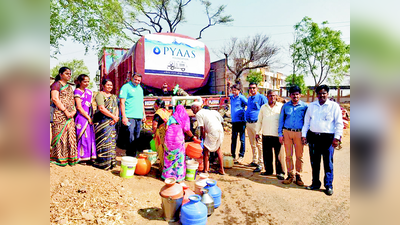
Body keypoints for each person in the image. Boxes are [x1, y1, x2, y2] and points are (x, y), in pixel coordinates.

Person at [302, 85, 343, 196]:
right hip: (314, 137)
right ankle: (315, 183)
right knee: (315, 163)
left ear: (327, 94)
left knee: (328, 163)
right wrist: (304, 135)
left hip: (328, 139)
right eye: (319, 93)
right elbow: (306, 122)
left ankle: (328, 185)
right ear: (317, 94)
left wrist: (337, 138)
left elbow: (339, 123)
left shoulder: (334, 106)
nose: (322, 95)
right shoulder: (312, 106)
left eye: (324, 93)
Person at [278, 85, 308, 186]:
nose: (295, 96)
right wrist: (280, 134)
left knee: (299, 156)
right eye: (293, 94)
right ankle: (290, 175)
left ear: (300, 95)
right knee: (288, 155)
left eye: (297, 94)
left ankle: (298, 175)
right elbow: (281, 120)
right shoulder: (285, 106)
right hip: (287, 132)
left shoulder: (304, 107)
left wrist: (305, 135)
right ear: (290, 95)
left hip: (299, 133)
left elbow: (307, 121)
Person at [50, 67, 78, 166]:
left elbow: (72, 100)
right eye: (66, 73)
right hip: (60, 114)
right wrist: (65, 111)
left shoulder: (70, 87)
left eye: (70, 74)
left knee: (70, 136)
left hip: (70, 115)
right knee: (61, 136)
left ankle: (70, 157)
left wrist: (74, 110)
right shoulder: (56, 84)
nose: (69, 75)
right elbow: (55, 98)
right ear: (61, 74)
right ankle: (59, 157)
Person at [162, 105, 198, 182]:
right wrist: (193, 137)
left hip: (169, 139)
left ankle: (168, 175)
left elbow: (166, 128)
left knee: (169, 156)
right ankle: (178, 177)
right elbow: (187, 130)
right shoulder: (184, 118)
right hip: (178, 139)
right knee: (179, 157)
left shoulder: (172, 117)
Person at [255, 90, 285, 180]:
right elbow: (259, 121)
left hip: (277, 135)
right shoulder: (263, 107)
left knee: (279, 155)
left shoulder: (280, 107)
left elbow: (283, 120)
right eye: (270, 95)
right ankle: (268, 170)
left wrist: (283, 134)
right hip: (266, 134)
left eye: (274, 96)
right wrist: (257, 132)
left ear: (276, 96)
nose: (272, 97)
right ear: (267, 96)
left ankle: (280, 172)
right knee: (267, 154)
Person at [191, 102, 225, 175]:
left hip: (213, 131)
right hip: (220, 130)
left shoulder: (199, 114)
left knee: (206, 150)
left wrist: (202, 139)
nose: (192, 111)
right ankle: (221, 169)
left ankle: (205, 170)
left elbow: (202, 128)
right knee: (218, 149)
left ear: (197, 107)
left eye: (193, 109)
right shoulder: (208, 111)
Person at [93, 79, 119, 170]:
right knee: (103, 142)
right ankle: (103, 163)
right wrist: (113, 117)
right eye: (108, 85)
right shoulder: (100, 95)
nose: (110, 87)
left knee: (111, 142)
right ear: (103, 85)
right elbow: (101, 108)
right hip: (102, 122)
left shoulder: (114, 97)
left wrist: (115, 118)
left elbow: (116, 108)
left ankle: (111, 163)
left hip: (112, 122)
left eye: (111, 85)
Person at [119, 73, 146, 157]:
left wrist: (143, 114)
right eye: (135, 79)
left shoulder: (140, 89)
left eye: (139, 80)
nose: (137, 82)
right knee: (130, 135)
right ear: (132, 78)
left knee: (137, 135)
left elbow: (141, 102)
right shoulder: (125, 87)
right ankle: (130, 154)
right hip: (129, 117)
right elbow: (122, 103)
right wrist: (124, 116)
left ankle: (135, 154)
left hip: (138, 117)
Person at [74, 74, 96, 164]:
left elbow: (91, 106)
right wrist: (88, 117)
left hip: (89, 116)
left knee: (90, 137)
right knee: (83, 136)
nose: (87, 83)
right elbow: (79, 107)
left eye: (88, 81)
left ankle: (90, 156)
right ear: (80, 82)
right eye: (84, 81)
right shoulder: (77, 92)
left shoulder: (89, 92)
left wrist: (92, 117)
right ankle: (81, 157)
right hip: (81, 117)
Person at [245, 82, 267, 172]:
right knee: (252, 144)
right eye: (250, 88)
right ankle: (254, 160)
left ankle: (261, 163)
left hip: (257, 124)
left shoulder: (261, 97)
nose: (252, 90)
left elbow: (266, 108)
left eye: (254, 88)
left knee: (259, 144)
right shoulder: (249, 98)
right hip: (249, 123)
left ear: (257, 88)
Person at [227, 82, 248, 163]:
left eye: (235, 90)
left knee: (242, 139)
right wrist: (228, 86)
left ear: (239, 90)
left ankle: (241, 155)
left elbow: (248, 104)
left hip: (241, 121)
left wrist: (244, 113)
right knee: (234, 139)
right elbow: (227, 94)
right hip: (234, 121)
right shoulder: (232, 97)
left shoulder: (242, 98)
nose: (233, 92)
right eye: (232, 90)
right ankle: (233, 155)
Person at [152, 98, 171, 172]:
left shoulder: (158, 113)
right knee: (166, 150)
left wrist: (153, 133)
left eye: (155, 104)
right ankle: (164, 167)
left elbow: (154, 125)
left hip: (160, 133)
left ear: (158, 105)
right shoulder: (166, 112)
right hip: (168, 133)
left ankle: (164, 170)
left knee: (161, 150)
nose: (154, 105)